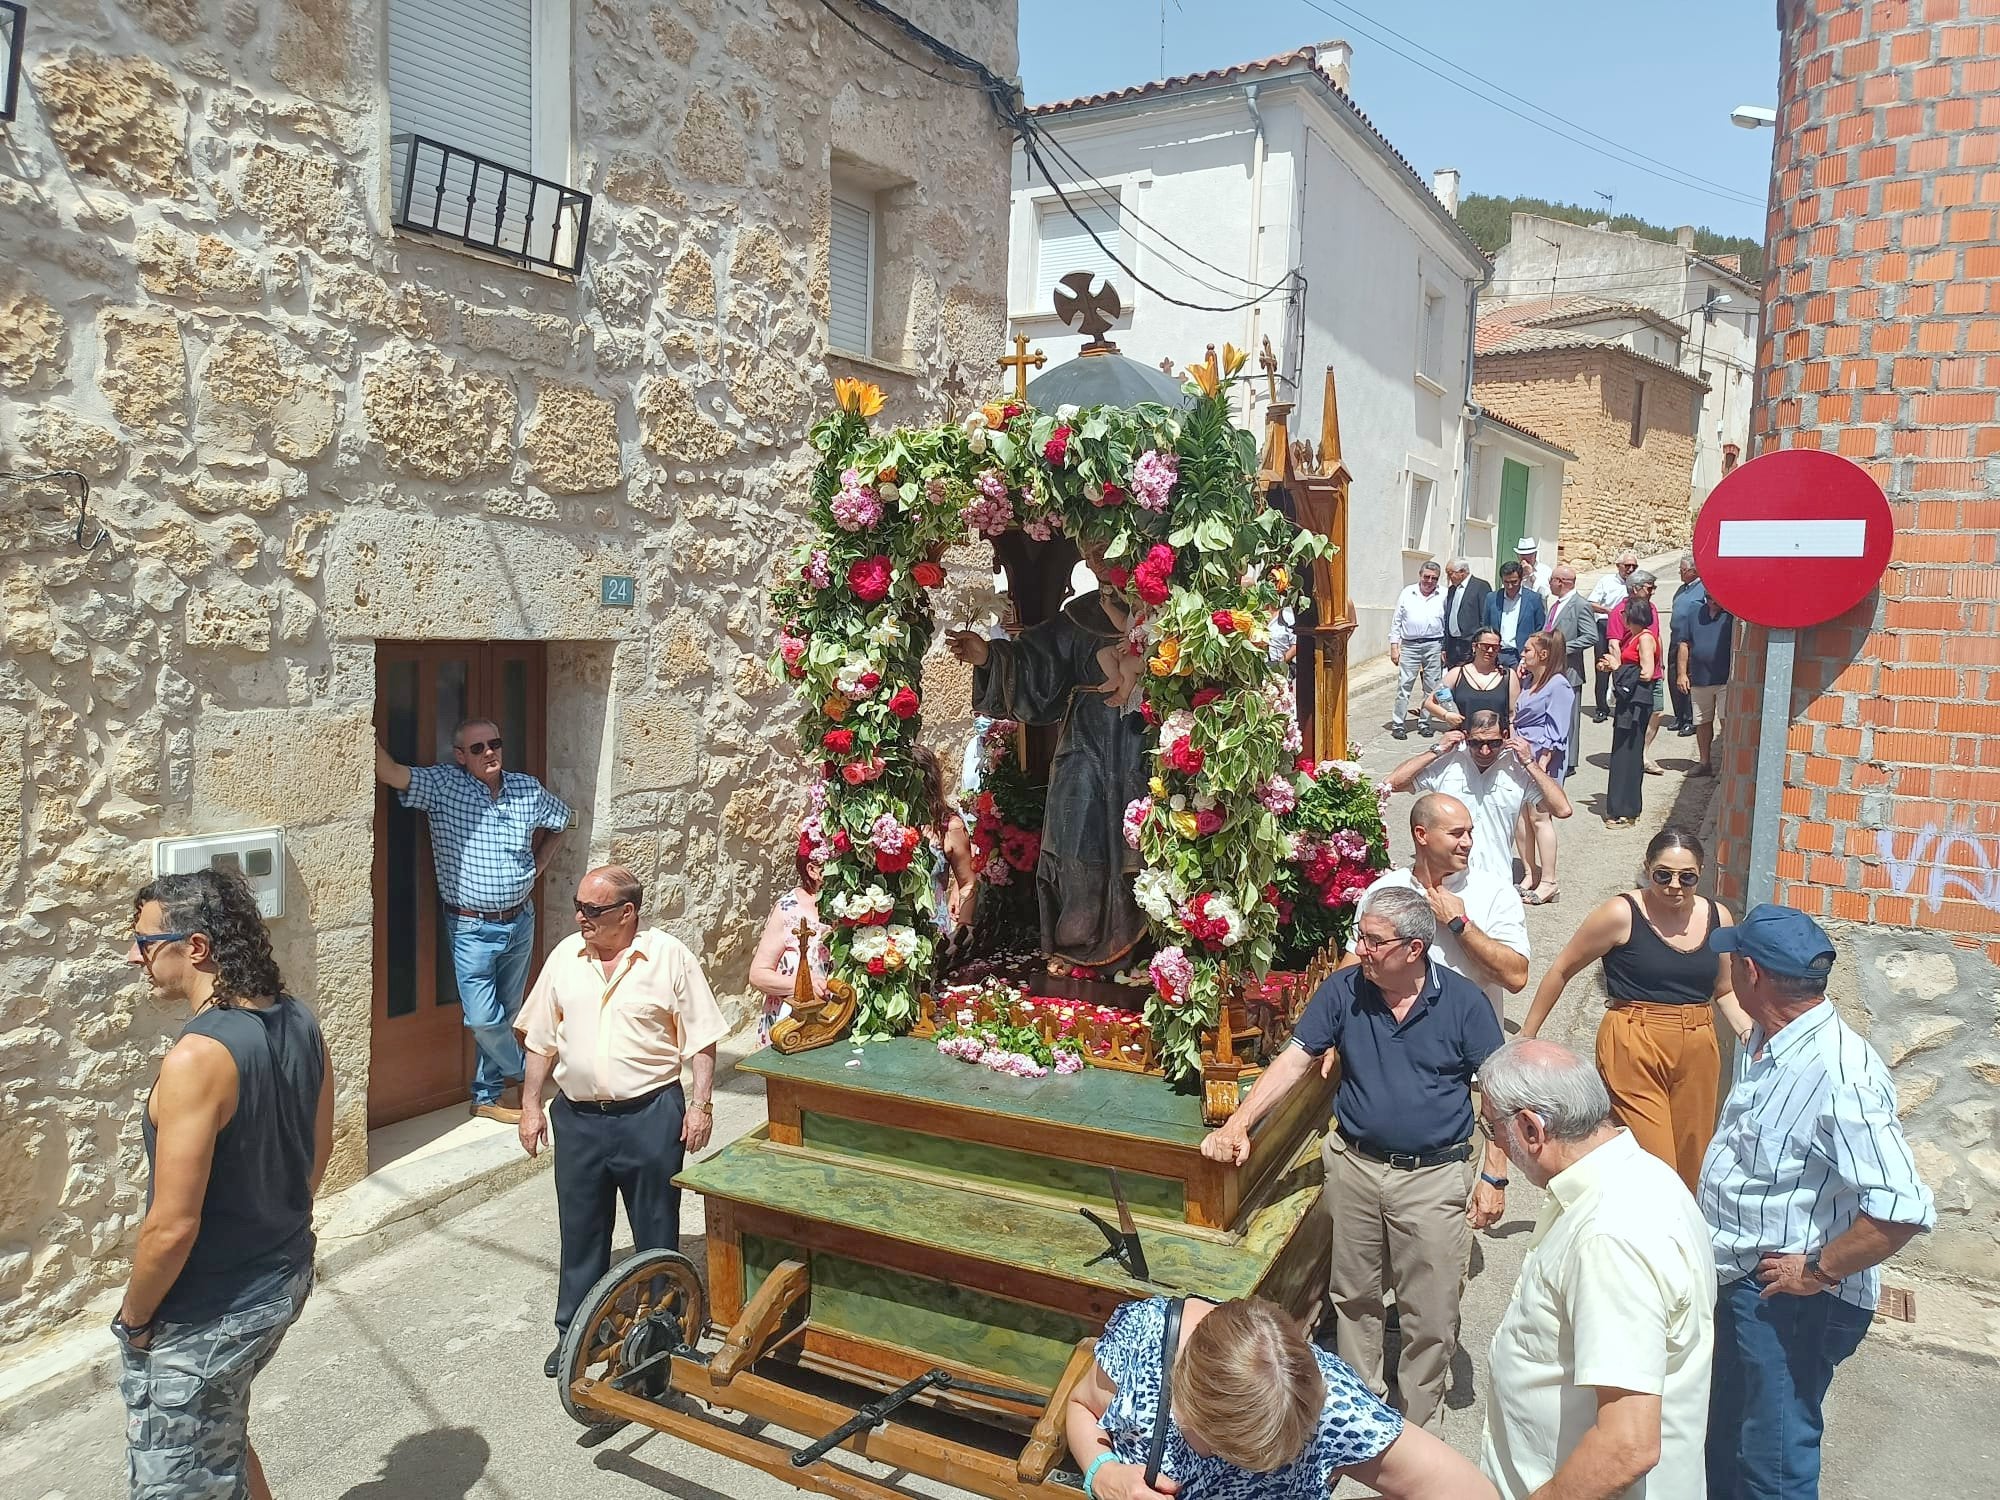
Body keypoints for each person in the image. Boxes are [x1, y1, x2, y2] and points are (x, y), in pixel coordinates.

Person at [1201, 887, 1510, 1429]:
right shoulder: (1343, 990)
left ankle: (1417, 1429)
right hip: (1355, 1166)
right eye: (1360, 936)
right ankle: (1362, 1416)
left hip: (1434, 1176)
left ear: (1414, 949)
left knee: (1431, 1314)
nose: (1359, 948)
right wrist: (1239, 1122)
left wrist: (1494, 1175)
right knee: (1354, 1298)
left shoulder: (1464, 1004)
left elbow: (1501, 1095)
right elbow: (1294, 1061)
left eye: (1372, 940)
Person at [1699, 905, 1937, 1500]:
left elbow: (1901, 1207)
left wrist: (1819, 1271)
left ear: (1750, 972)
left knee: (1774, 1466)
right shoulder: (1768, 1036)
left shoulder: (1840, 1073)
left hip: (1790, 1303)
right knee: (1725, 1441)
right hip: (1745, 1282)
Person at [117, 869, 333, 1500]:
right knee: (220, 1435)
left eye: (147, 941)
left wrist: (134, 1319)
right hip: (283, 1276)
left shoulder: (197, 1057)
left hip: (210, 1305)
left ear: (199, 948)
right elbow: (315, 1162)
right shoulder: (300, 1020)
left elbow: (171, 1224)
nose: (135, 955)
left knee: (181, 1476)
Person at [1477, 1040, 1715, 1500]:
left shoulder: (1610, 1235)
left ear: (1531, 1128)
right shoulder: (1642, 1175)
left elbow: (1627, 1446)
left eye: (1493, 1127)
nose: (1496, 1142)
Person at [518, 865, 728, 1379]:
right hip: (580, 1120)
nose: (580, 918)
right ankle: (577, 1333)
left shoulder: (668, 957)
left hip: (650, 1115)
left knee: (656, 1228)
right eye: (579, 906)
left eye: (593, 910)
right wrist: (529, 1106)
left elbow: (701, 1039)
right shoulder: (565, 958)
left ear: (627, 913)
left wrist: (700, 1105)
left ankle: (661, 1334)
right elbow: (541, 1040)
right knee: (581, 1229)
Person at [1065, 1294, 1500, 1500]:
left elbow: (1468, 1492)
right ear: (1184, 1402)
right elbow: (1081, 1405)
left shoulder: (1331, 1405)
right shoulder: (1145, 1343)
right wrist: (1101, 1472)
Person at [950, 546, 1147, 974]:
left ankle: (1146, 950)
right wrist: (988, 656)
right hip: (1085, 743)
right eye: (1093, 556)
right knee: (1073, 834)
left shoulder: (1162, 612)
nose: (1098, 564)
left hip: (1139, 743)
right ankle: (1078, 939)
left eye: (1106, 555)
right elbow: (1036, 660)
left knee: (1139, 842)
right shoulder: (1079, 615)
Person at [1519, 828, 1752, 1190]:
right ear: (1648, 868)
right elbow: (1562, 969)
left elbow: (1723, 990)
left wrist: (1751, 1033)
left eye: (1687, 877)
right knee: (1653, 1162)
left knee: (1695, 1160)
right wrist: (1527, 1035)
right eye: (1664, 875)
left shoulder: (1718, 916)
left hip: (1698, 1043)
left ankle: (1679, 1240)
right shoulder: (1621, 912)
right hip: (1634, 1039)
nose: (1675, 885)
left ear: (1701, 874)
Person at [375, 719, 571, 1124]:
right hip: (471, 927)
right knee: (483, 1018)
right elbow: (392, 774)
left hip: (520, 920)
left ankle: (486, 1095)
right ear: (461, 756)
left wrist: (539, 865)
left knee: (508, 1009)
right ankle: (523, 1069)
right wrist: (359, 729)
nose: (489, 753)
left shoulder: (525, 789)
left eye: (495, 744)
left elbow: (563, 821)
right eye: (478, 748)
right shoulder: (445, 786)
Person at [1343, 793, 1530, 1027]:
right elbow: (1352, 965)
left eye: (1470, 832)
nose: (1468, 842)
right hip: (1393, 1040)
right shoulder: (1384, 890)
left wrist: (1460, 924)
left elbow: (1516, 977)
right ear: (1421, 835)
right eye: (1456, 833)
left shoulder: (1495, 892)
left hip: (1466, 1044)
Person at [1383, 713, 1573, 888]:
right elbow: (1392, 783)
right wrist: (1436, 750)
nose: (1484, 750)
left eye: (1493, 743)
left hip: (1496, 882)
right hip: (1445, 882)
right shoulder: (1449, 762)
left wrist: (1530, 762)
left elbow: (1562, 809)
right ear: (1465, 736)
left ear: (1506, 736)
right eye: (1476, 743)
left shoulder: (1517, 770)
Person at [1510, 632, 1575, 905]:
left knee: (1540, 818)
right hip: (1521, 755)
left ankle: (1549, 881)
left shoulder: (1558, 685)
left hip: (1541, 759)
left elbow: (1558, 728)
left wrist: (1542, 764)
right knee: (1521, 819)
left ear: (1543, 654)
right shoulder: (1529, 681)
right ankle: (1529, 872)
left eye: (1527, 650)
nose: (1522, 654)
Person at [746, 849, 827, 1046]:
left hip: (837, 1020)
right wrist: (805, 986)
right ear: (813, 870)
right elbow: (758, 975)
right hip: (791, 1025)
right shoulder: (788, 909)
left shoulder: (853, 905)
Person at [1601, 597, 1661, 828]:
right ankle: (1618, 806)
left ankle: (1627, 811)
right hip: (1629, 701)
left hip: (1637, 703)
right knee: (1621, 753)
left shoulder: (1645, 638)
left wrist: (1618, 668)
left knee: (1629, 754)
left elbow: (1646, 673)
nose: (1622, 617)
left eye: (1625, 613)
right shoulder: (1634, 637)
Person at [910, 744, 978, 935]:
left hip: (934, 934)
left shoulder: (948, 826)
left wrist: (964, 927)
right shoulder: (889, 824)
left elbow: (967, 882)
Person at [1605, 571, 1667, 777]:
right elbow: (1614, 644)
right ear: (1635, 589)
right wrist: (1620, 675)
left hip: (1652, 672)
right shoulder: (1619, 612)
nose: (1652, 592)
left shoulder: (1652, 609)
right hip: (1632, 675)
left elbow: (1656, 638)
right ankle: (1636, 755)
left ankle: (1642, 752)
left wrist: (1662, 665)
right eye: (1649, 588)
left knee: (1657, 712)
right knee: (1634, 718)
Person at [1387, 559, 1448, 740]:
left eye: (1434, 578)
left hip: (1434, 644)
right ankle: (1398, 724)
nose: (1429, 581)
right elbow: (1396, 620)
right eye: (1426, 577)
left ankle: (1425, 722)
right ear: (1420, 576)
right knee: (1404, 685)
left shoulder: (1444, 594)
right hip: (1411, 645)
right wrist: (1394, 646)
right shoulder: (1408, 592)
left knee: (1431, 686)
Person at [1677, 587, 1733, 778]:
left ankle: (1726, 766)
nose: (1712, 602)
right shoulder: (1694, 611)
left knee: (1726, 722)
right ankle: (1704, 762)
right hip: (1700, 678)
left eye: (1715, 599)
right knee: (1702, 721)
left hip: (1725, 679)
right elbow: (1684, 643)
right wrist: (1682, 674)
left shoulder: (1732, 616)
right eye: (1709, 598)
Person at [1542, 565, 1590, 777]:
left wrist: (1562, 648)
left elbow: (1590, 636)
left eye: (1552, 579)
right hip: (1551, 670)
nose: (1549, 583)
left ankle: (1570, 760)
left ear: (1561, 581)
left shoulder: (1580, 605)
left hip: (1569, 669)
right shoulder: (1556, 605)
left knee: (1569, 717)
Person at [1421, 627, 1514, 732]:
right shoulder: (1457, 674)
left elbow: (1513, 714)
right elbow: (1429, 703)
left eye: (1495, 647)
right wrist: (1446, 715)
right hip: (1464, 740)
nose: (1490, 651)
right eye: (1485, 646)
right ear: (1474, 647)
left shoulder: (1508, 675)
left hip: (1497, 742)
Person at [1586, 550, 1640, 722]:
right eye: (1627, 565)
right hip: (1605, 625)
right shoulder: (1606, 581)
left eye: (1634, 566)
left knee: (1626, 665)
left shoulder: (1637, 583)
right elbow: (1591, 603)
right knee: (1603, 667)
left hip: (1628, 628)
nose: (1630, 569)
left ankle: (1623, 703)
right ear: (1618, 566)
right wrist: (1609, 611)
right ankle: (1601, 707)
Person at [1481, 561, 1547, 669]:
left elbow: (1539, 628)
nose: (1510, 586)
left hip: (1520, 655)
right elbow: (1486, 625)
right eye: (1506, 582)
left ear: (1521, 579)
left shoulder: (1533, 599)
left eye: (1514, 582)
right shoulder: (1492, 598)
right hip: (1496, 652)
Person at [1665, 553, 1703, 736]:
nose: (1680, 572)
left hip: (1691, 643)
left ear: (1693, 571)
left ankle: (1690, 719)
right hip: (1676, 640)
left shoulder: (1703, 589)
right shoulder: (1681, 589)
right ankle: (1679, 716)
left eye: (1683, 569)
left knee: (1687, 680)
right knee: (1673, 678)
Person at [1440, 557, 1492, 668]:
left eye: (1450, 573)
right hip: (1453, 645)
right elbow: (1448, 616)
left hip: (1470, 643)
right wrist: (1445, 646)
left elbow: (1485, 616)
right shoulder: (1452, 590)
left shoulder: (1480, 586)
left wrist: (1481, 641)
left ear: (1462, 572)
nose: (1448, 578)